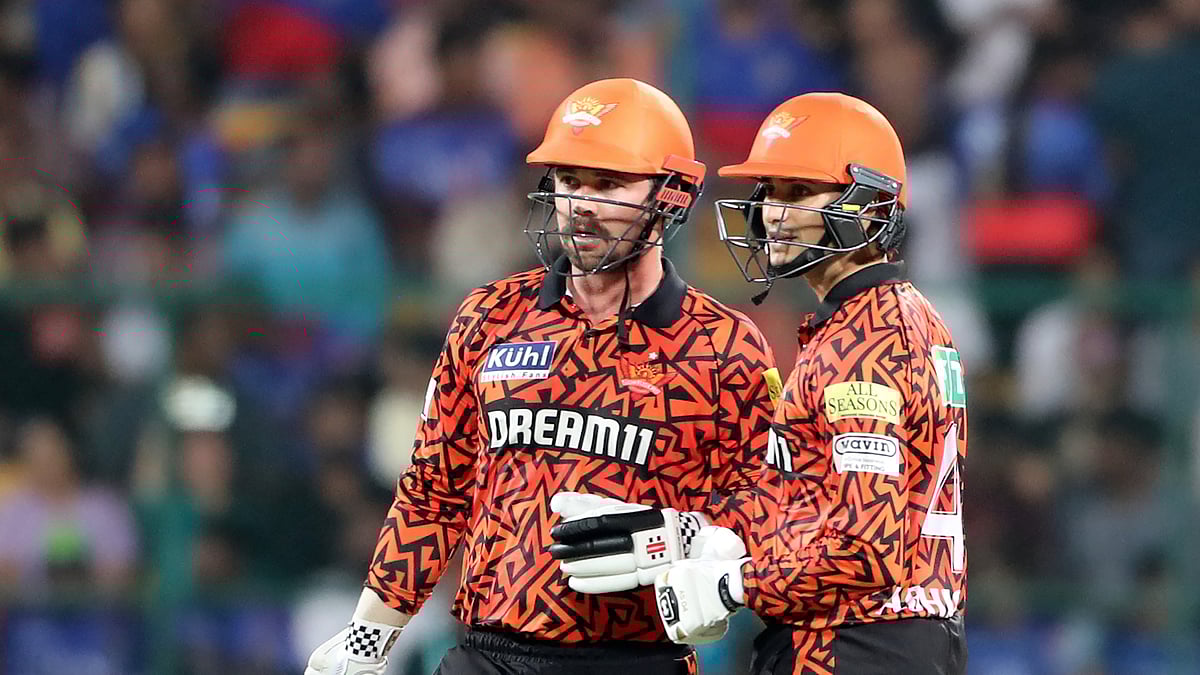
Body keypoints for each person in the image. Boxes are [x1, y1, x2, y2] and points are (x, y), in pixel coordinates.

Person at [304, 78, 778, 675]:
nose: (580, 203)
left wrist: (691, 537)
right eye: (568, 180)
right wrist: (368, 637)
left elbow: (773, 510)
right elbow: (433, 491)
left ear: (674, 195)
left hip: (636, 660)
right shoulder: (489, 316)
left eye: (608, 183)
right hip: (486, 654)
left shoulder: (724, 347)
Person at [553, 93, 968, 674]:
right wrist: (690, 532)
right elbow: (817, 505)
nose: (773, 212)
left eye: (799, 192)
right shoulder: (893, 317)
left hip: (853, 645)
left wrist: (733, 584)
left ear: (871, 208)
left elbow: (864, 547)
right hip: (886, 639)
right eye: (769, 192)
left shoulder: (864, 343)